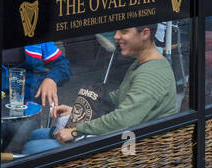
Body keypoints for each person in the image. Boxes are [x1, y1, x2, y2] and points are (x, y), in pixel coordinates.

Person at [20, 23, 177, 154]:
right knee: (36, 135)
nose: (116, 36)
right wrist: (77, 111)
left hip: (132, 150)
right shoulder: (141, 64)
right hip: (123, 136)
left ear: (145, 34)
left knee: (31, 148)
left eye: (124, 31)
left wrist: (76, 131)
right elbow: (116, 99)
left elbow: (122, 119)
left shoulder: (151, 75)